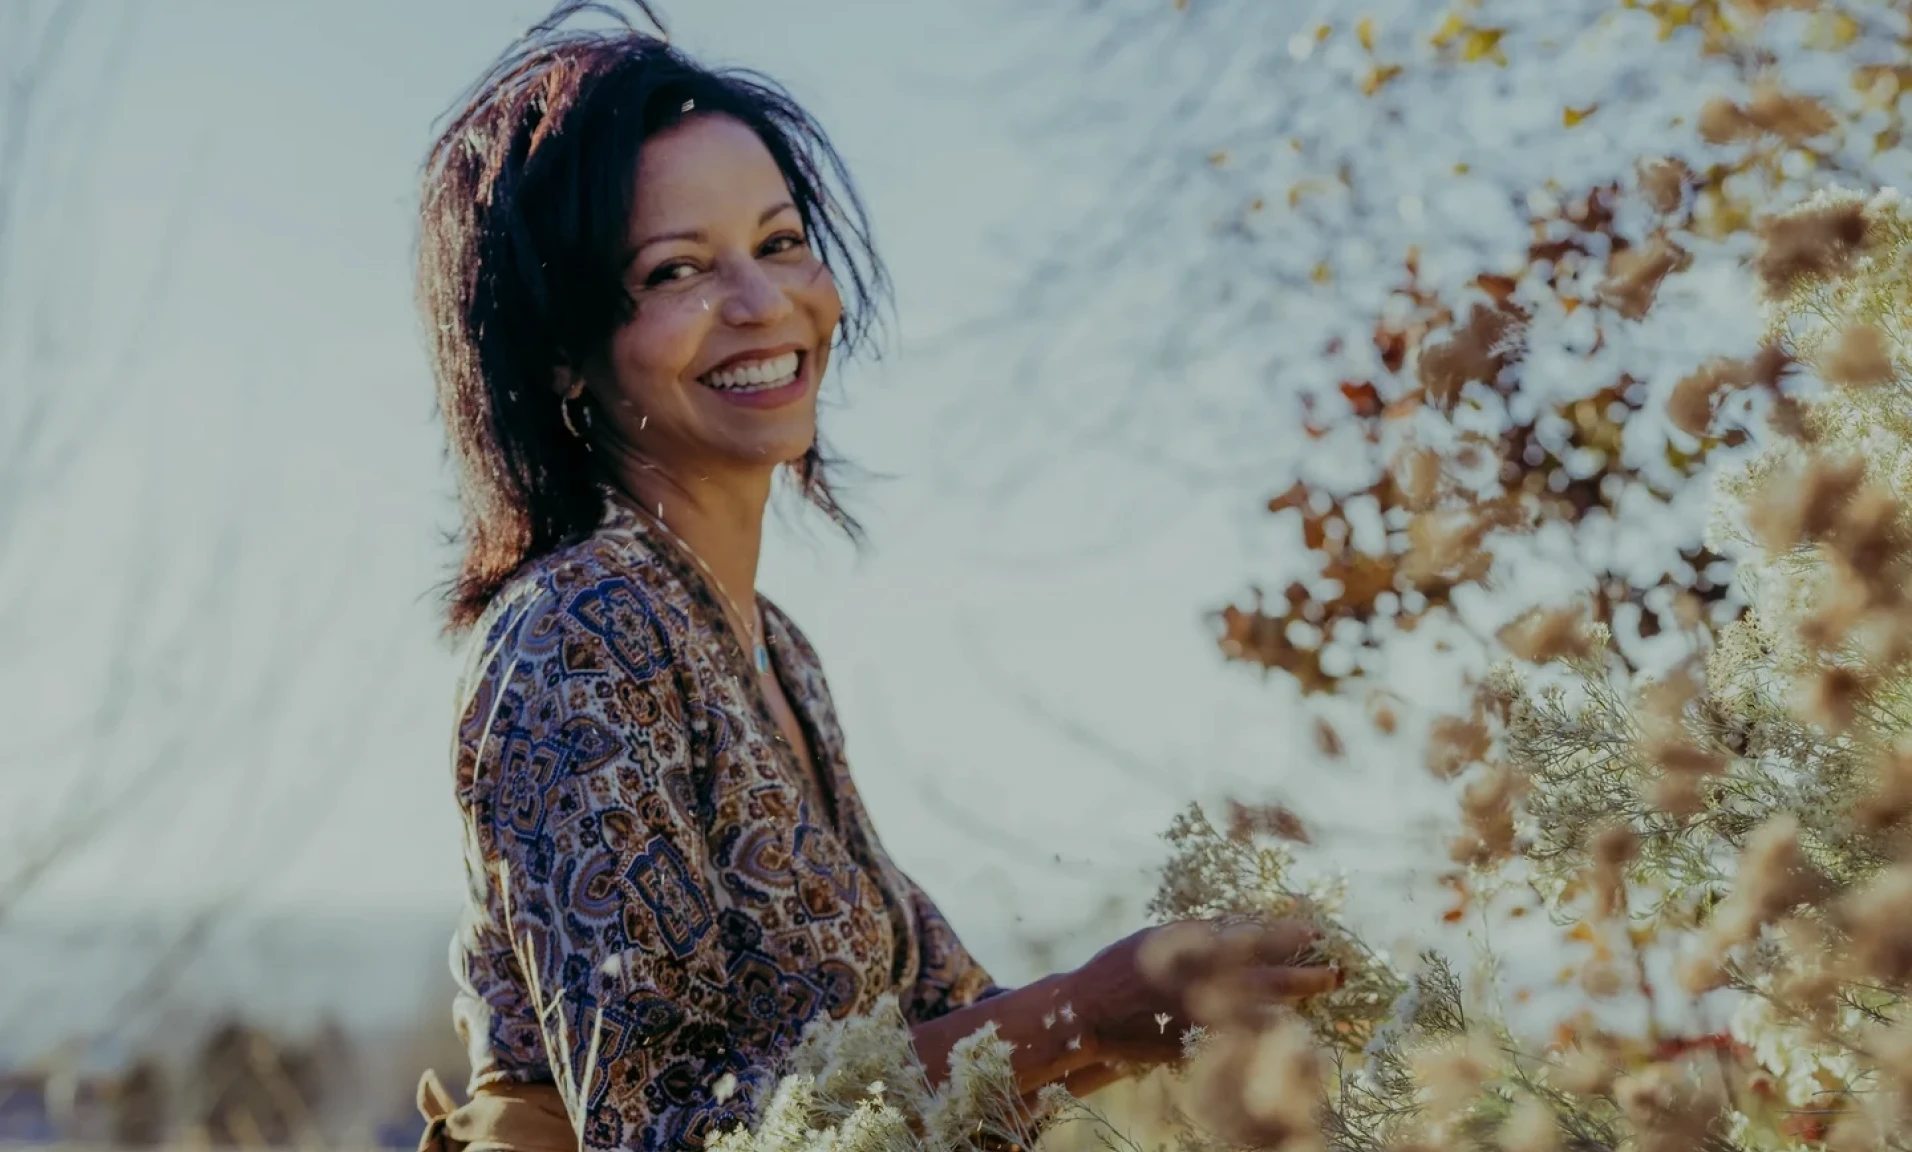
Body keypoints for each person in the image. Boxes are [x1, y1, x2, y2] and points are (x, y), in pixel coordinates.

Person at [413, 3, 1340, 1149]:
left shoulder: (770, 647)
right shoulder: (576, 638)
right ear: (560, 347)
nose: (762, 304)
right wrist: (1086, 1009)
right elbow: (666, 1131)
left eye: (781, 241)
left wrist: (1184, 996)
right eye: (677, 269)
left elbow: (941, 1061)